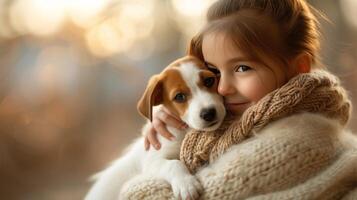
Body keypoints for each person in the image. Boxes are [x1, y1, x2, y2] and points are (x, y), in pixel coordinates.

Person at [121, 0, 357, 199]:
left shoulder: (297, 139)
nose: (221, 88)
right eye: (213, 73)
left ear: (299, 68)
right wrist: (168, 115)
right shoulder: (243, 124)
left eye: (242, 68)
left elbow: (139, 194)